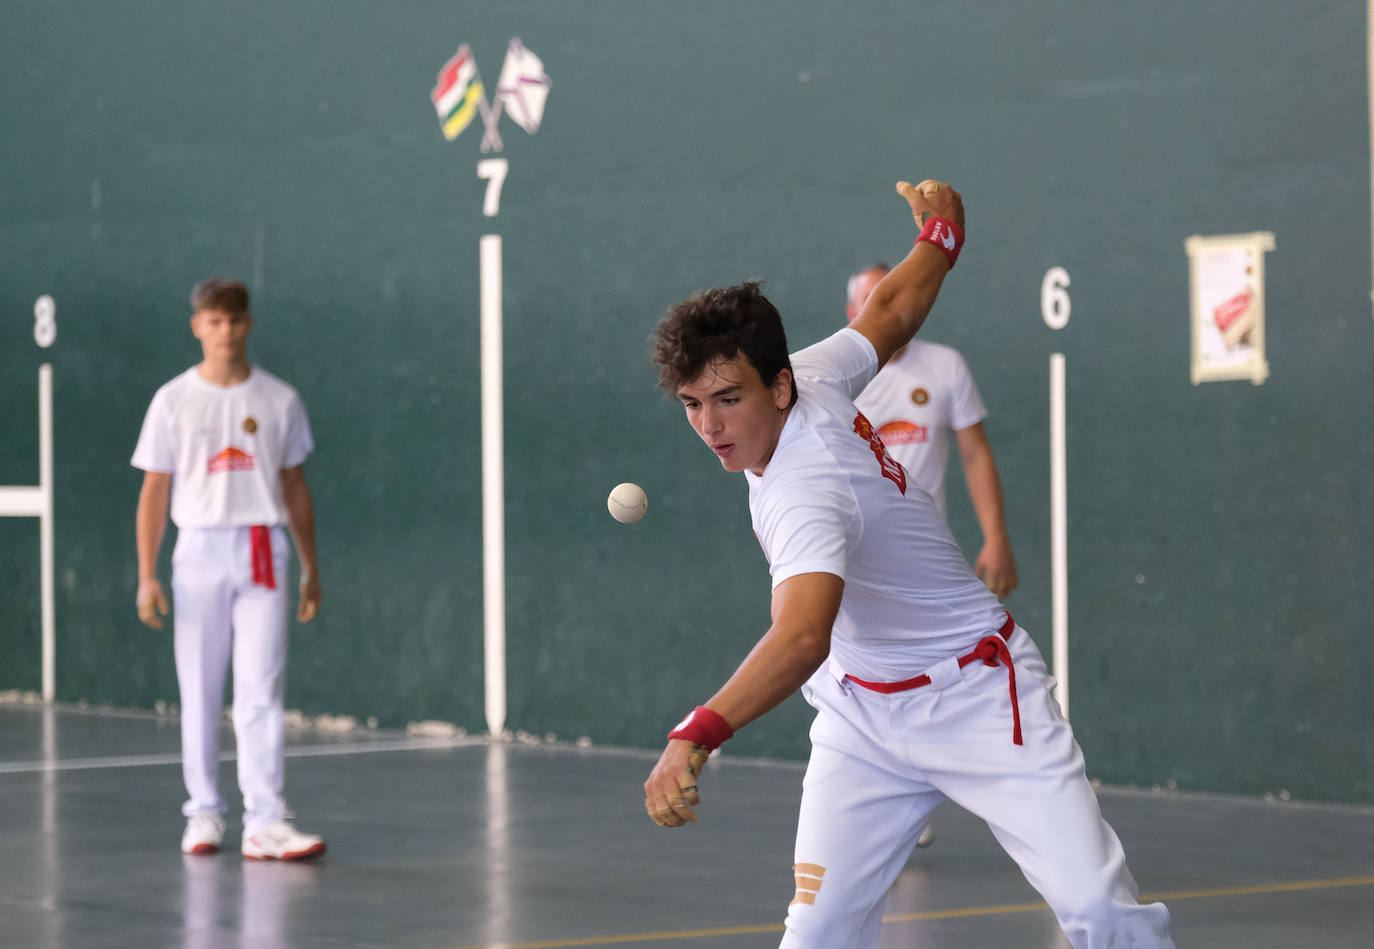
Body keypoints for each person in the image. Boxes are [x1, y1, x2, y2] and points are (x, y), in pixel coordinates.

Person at [642, 181, 1174, 948]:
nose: (710, 425)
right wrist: (942, 240)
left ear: (777, 383)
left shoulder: (805, 486)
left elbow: (800, 638)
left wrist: (695, 732)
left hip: (979, 697)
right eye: (692, 404)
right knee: (817, 934)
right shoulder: (814, 375)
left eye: (727, 399)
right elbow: (888, 316)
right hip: (863, 716)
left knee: (1101, 913)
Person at [132, 277, 326, 861]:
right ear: (196, 326)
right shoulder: (172, 400)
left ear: (248, 324)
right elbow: (153, 491)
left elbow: (295, 487)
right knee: (199, 687)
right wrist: (147, 574)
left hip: (264, 549)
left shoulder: (279, 399)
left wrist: (312, 567)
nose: (225, 331)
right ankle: (204, 815)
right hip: (197, 552)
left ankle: (265, 821)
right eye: (213, 321)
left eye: (235, 320)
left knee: (261, 689)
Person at [844, 264, 1020, 850]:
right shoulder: (833, 377)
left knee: (933, 677)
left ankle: (966, 787)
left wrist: (995, 536)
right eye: (871, 301)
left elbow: (974, 455)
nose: (885, 309)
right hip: (852, 563)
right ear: (853, 316)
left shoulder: (945, 366)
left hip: (927, 566)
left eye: (891, 297)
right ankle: (875, 799)